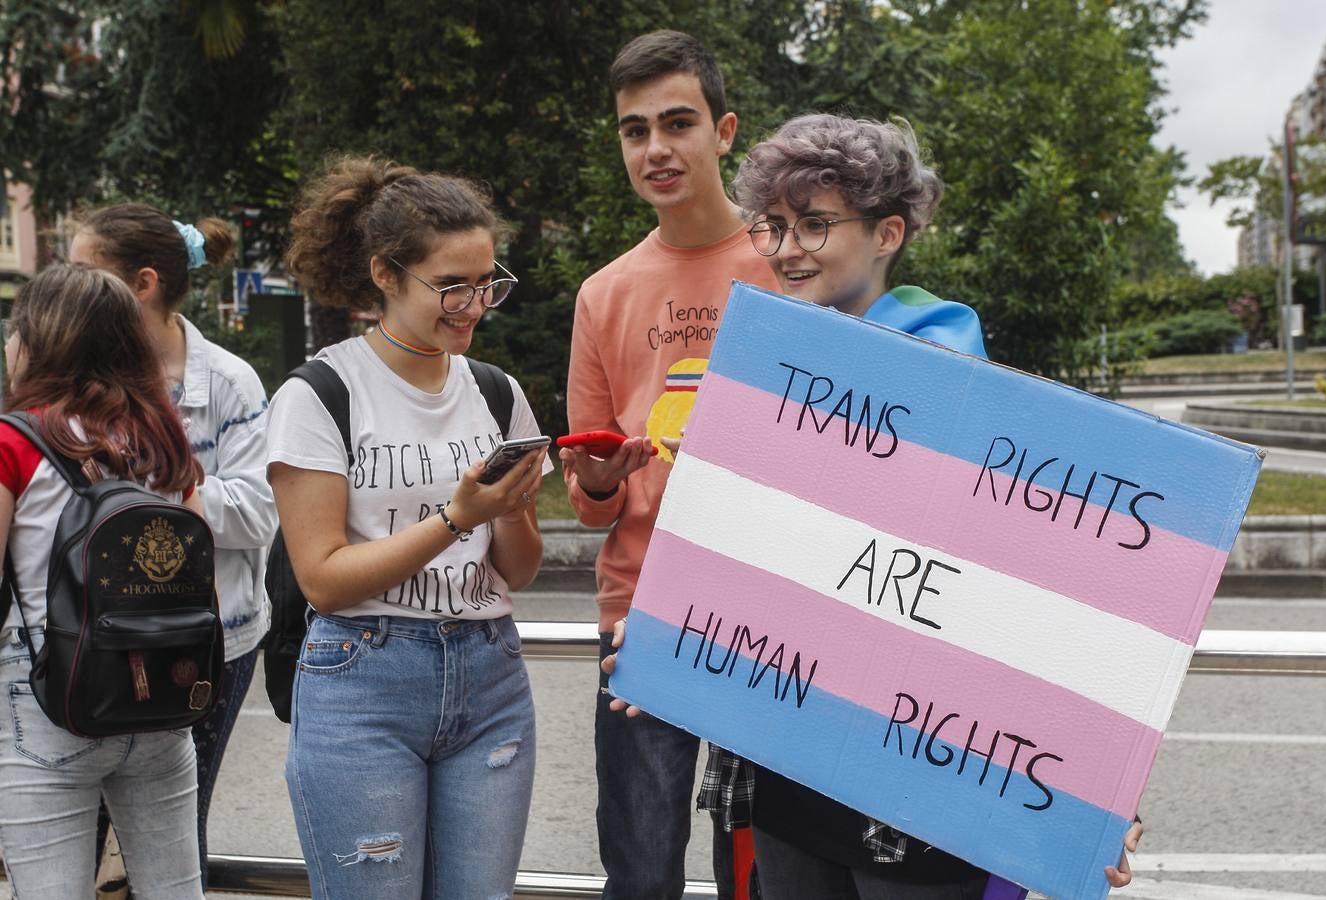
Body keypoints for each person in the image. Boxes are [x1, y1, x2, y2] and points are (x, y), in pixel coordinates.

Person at [605, 113, 1144, 897]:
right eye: (775, 227)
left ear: (888, 232)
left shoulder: (955, 369)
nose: (787, 250)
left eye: (815, 225)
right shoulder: (762, 375)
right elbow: (738, 546)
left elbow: (1045, 577)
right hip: (791, 754)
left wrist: (1097, 781)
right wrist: (666, 637)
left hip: (924, 775)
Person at [266, 156, 549, 899]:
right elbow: (323, 580)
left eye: (488, 282)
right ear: (385, 275)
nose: (474, 303)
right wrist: (458, 517)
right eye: (451, 285)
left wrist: (513, 505)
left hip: (490, 673)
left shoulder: (494, 390)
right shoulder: (321, 392)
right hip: (363, 678)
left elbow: (517, 571)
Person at [559, 29, 778, 900]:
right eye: (633, 129)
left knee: (765, 874)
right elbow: (589, 502)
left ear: (725, 132)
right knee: (641, 871)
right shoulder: (603, 291)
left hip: (776, 611)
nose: (655, 148)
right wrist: (603, 481)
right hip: (643, 610)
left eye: (677, 123)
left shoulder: (790, 260)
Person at [69, 202, 276, 885]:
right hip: (94, 640)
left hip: (209, 641)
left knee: (175, 832)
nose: (67, 288)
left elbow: (258, 515)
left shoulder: (229, 383)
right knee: (81, 832)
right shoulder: (71, 383)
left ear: (144, 284)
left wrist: (163, 479)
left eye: (82, 272)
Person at [0, 264, 206, 898]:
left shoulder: (15, 442)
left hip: (47, 699)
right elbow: (201, 571)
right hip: (160, 698)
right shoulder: (163, 438)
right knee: (176, 889)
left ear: (41, 341)